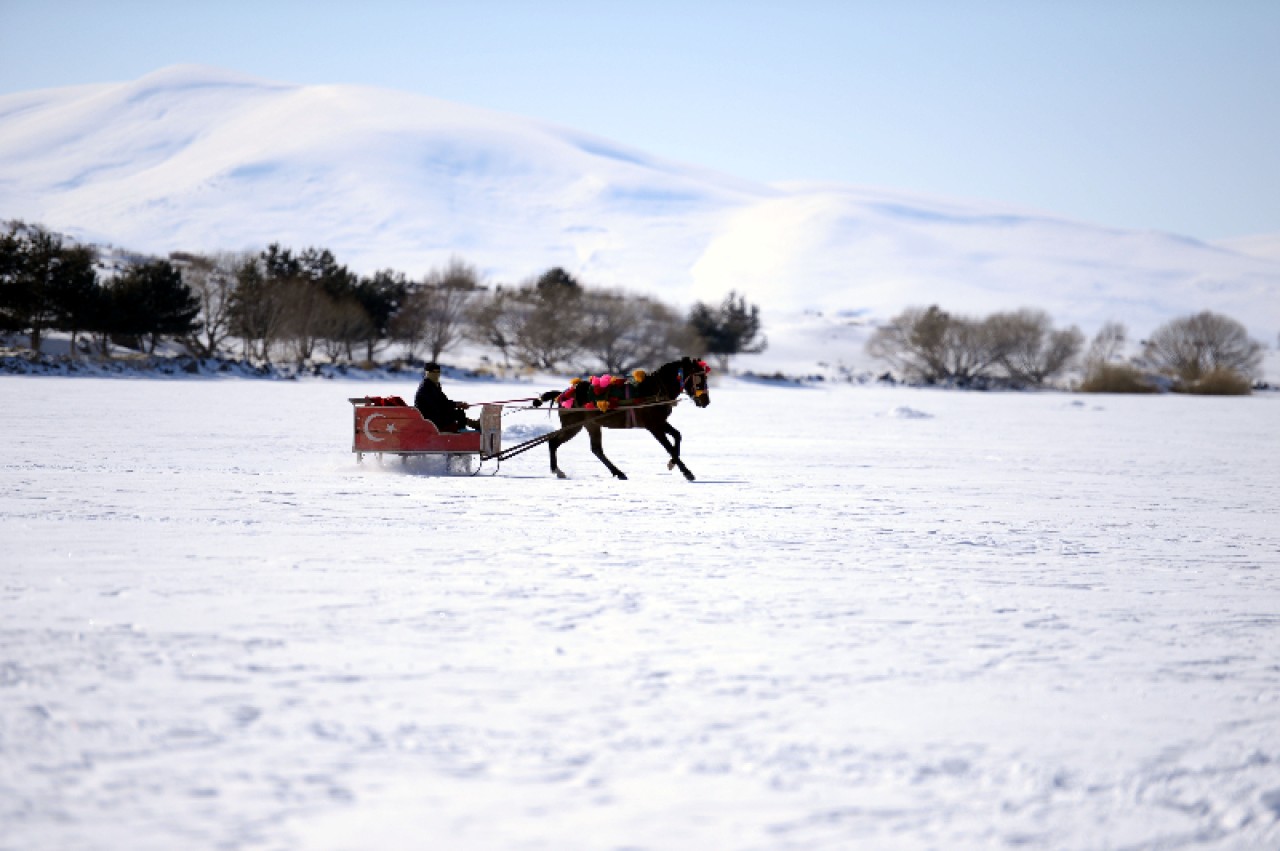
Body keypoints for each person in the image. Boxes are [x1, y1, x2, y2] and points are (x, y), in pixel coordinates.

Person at [414, 362, 478, 432]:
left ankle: (464, 429)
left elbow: (443, 401)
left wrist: (458, 404)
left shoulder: (434, 386)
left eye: (438, 372)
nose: (436, 375)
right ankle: (462, 431)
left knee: (459, 412)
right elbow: (437, 405)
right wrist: (454, 406)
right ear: (427, 373)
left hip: (435, 415)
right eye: (433, 372)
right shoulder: (425, 388)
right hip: (429, 419)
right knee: (457, 413)